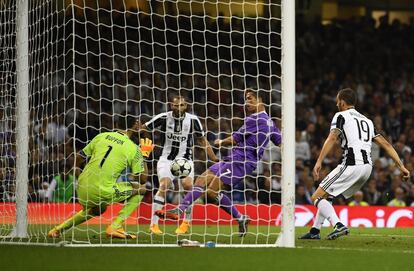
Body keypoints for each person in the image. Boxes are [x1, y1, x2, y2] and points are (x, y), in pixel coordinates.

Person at [156, 89, 282, 237]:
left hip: (242, 161)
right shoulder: (270, 123)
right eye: (246, 99)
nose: (246, 103)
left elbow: (235, 139)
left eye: (250, 99)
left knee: (211, 192)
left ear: (260, 100)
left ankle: (239, 217)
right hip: (235, 158)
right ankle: (181, 209)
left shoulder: (255, 119)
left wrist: (220, 142)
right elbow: (280, 142)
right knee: (202, 179)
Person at [300, 88, 410, 240]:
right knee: (328, 195)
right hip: (367, 168)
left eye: (338, 101)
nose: (336, 103)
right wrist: (402, 166)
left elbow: (332, 138)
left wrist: (318, 161)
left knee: (316, 196)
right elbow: (386, 144)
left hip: (352, 164)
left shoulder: (340, 115)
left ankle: (338, 224)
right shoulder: (368, 121)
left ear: (343, 102)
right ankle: (314, 231)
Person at [47, 116, 154, 239]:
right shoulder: (133, 148)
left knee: (98, 210)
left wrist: (79, 176)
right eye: (139, 123)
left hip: (81, 187)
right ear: (135, 124)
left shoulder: (101, 136)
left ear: (117, 123)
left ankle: (58, 229)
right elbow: (143, 179)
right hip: (101, 191)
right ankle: (115, 226)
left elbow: (78, 158)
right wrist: (144, 155)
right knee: (141, 189)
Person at [141, 95, 218, 235]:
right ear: (171, 106)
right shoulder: (163, 117)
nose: (178, 108)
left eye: (181, 105)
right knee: (163, 186)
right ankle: (153, 225)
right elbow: (143, 128)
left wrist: (213, 157)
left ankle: (185, 223)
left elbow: (202, 140)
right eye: (176, 105)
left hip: (185, 160)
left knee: (189, 187)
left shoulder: (193, 120)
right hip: (166, 159)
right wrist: (147, 142)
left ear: (186, 106)